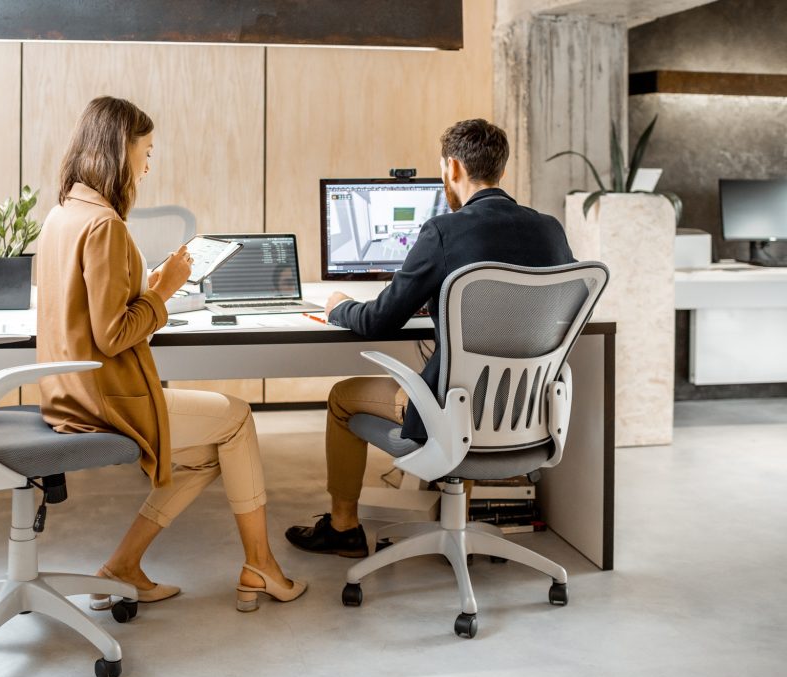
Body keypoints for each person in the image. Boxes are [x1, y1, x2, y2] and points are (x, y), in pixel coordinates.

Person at [37, 96, 305, 612]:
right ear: (121, 150)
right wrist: (163, 292)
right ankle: (260, 565)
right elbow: (114, 335)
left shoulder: (63, 212)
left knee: (204, 456)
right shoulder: (105, 225)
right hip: (107, 401)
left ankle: (124, 567)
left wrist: (151, 287)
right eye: (147, 152)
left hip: (69, 395)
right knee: (237, 419)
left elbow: (91, 316)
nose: (147, 165)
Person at [285, 119, 575, 557]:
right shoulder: (551, 230)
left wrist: (337, 307)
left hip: (455, 414)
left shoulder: (444, 231)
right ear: (501, 169)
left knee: (342, 397)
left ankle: (342, 529)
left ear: (452, 167)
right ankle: (459, 523)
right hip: (527, 416)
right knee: (467, 385)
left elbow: (378, 321)